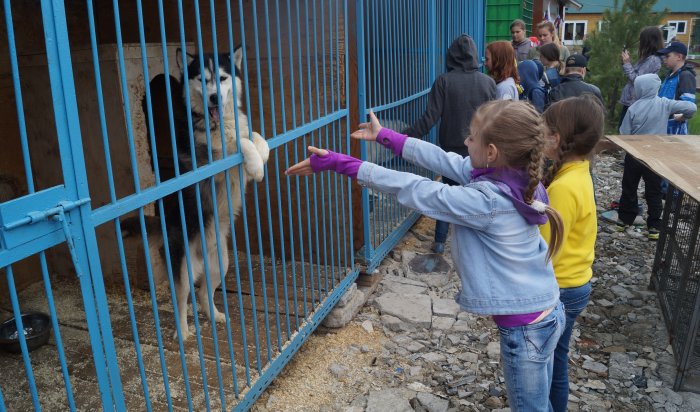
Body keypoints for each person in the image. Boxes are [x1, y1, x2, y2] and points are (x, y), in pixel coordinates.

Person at [286, 102, 565, 411]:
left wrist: (344, 164)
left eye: (472, 137)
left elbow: (418, 188)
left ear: (492, 153)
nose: (466, 142)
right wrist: (387, 137)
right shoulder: (517, 175)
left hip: (525, 329)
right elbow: (444, 160)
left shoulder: (487, 202)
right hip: (546, 310)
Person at [402, 34, 496, 254]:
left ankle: (440, 242)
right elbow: (495, 121)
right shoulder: (488, 82)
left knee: (447, 196)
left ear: (450, 56)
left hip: (450, 150)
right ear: (474, 56)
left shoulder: (444, 81)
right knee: (475, 196)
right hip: (480, 151)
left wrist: (404, 137)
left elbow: (429, 118)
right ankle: (474, 244)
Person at [540, 95, 605, 412]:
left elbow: (541, 247)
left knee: (545, 364)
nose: (541, 134)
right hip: (576, 283)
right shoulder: (579, 173)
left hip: (560, 288)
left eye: (546, 129)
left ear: (559, 138)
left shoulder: (563, 188)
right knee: (557, 356)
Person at [616, 73, 696, 239]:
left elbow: (623, 133)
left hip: (634, 155)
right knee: (654, 190)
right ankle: (654, 226)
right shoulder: (664, 104)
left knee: (629, 187)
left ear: (640, 88)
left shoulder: (633, 108)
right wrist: (682, 117)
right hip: (654, 156)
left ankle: (624, 220)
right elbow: (692, 108)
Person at [619, 26, 664, 127]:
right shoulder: (647, 58)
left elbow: (637, 80)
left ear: (648, 41)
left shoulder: (653, 60)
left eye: (641, 40)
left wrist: (627, 63)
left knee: (624, 133)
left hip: (635, 102)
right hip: (631, 101)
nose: (639, 43)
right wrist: (625, 62)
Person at [656, 41, 697, 135]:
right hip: (661, 125)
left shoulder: (686, 75)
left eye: (667, 56)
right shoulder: (669, 75)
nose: (664, 59)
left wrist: (681, 117)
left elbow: (688, 105)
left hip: (674, 129)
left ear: (679, 57)